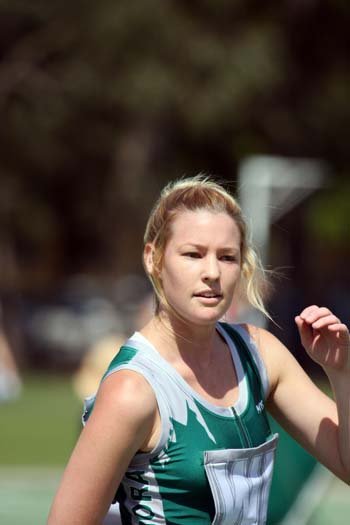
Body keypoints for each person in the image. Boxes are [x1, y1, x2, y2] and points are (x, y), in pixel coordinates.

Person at [47, 175, 350, 525]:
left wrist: (341, 371)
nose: (212, 272)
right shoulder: (133, 390)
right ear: (153, 258)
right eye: (193, 254)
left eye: (227, 257)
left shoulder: (259, 353)